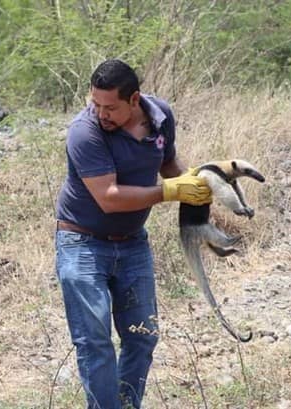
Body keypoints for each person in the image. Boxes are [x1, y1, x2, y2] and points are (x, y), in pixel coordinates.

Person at [55, 59, 212, 409]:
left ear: (135, 99)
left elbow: (168, 166)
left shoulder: (161, 117)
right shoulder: (85, 132)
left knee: (143, 336)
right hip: (81, 243)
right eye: (95, 104)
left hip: (133, 244)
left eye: (110, 107)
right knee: (95, 342)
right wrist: (168, 193)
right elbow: (109, 199)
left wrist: (194, 185)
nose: (100, 113)